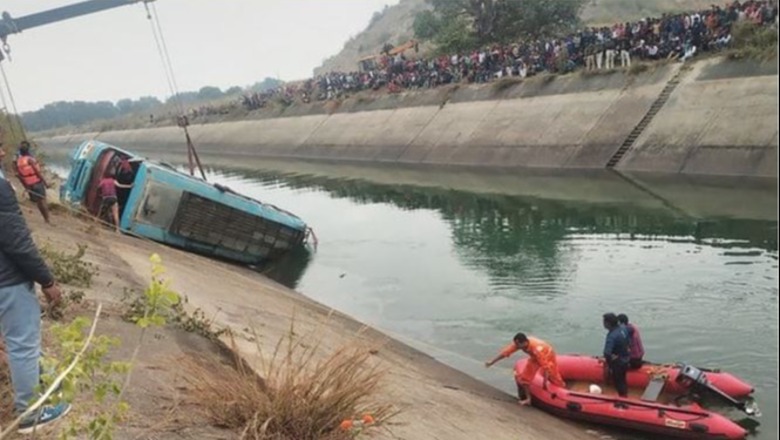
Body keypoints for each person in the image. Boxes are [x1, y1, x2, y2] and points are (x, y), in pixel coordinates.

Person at [0, 176, 71, 433]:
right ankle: (30, 413)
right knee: (23, 345)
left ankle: (50, 380)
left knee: (16, 341)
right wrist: (47, 280)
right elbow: (17, 243)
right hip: (7, 282)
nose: (3, 153)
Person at [485, 332, 565, 406]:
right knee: (524, 378)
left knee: (554, 377)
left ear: (524, 342)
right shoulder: (518, 344)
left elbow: (546, 367)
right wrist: (491, 362)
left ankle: (562, 389)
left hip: (547, 354)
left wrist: (544, 383)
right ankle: (528, 399)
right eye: (516, 344)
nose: (516, 346)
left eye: (518, 344)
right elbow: (505, 353)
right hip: (534, 357)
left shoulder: (537, 349)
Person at [13, 141, 51, 224]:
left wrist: (26, 187)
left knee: (38, 202)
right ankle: (47, 219)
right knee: (43, 200)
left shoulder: (19, 161)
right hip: (37, 182)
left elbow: (19, 176)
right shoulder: (29, 159)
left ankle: (45, 219)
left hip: (29, 184)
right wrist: (45, 183)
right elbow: (37, 172)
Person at [603, 312, 630, 397]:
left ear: (608, 323)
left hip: (618, 363)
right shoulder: (623, 329)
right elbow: (628, 341)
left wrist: (609, 362)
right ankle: (624, 394)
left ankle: (623, 399)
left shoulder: (612, 336)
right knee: (623, 379)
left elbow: (607, 352)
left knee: (618, 381)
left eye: (604, 322)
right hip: (625, 358)